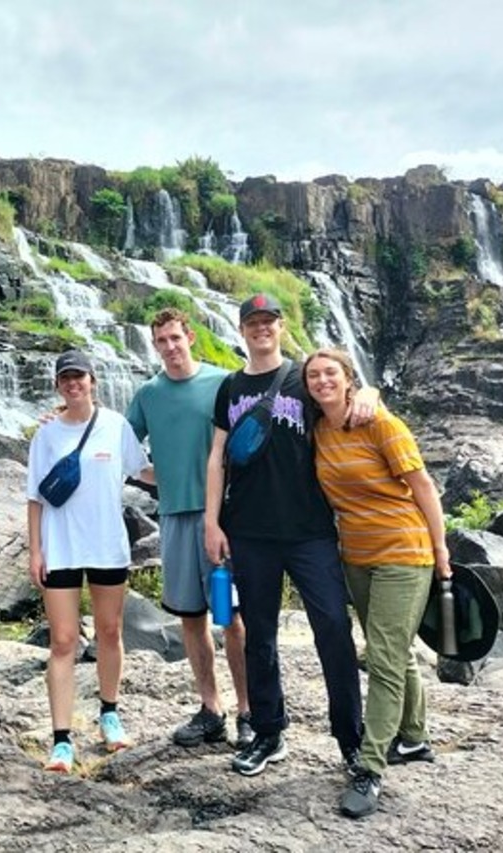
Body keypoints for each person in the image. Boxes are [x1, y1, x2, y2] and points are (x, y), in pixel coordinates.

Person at [204, 293, 376, 778]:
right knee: (260, 635)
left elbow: (346, 404)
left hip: (310, 531)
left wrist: (370, 393)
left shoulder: (305, 379)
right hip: (249, 530)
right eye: (253, 322)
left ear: (280, 327)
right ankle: (268, 731)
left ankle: (351, 737)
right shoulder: (230, 387)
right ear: (242, 331)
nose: (261, 329)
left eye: (269, 321)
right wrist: (211, 522)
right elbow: (217, 456)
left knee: (334, 631)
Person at [302, 348, 450, 819]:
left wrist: (442, 549)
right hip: (358, 558)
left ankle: (369, 768)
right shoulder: (318, 428)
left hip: (405, 554)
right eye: (314, 376)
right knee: (394, 649)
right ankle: (415, 737)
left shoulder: (381, 423)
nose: (322, 381)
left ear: (348, 379)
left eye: (331, 374)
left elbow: (423, 485)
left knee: (383, 656)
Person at [124, 307, 252, 748]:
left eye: (176, 338)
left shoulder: (222, 383)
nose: (170, 347)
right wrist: (159, 477)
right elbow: (121, 447)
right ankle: (210, 708)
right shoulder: (148, 395)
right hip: (175, 518)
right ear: (154, 345)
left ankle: (248, 711)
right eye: (161, 341)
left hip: (225, 518)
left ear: (191, 337)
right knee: (191, 616)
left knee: (232, 617)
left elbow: (251, 441)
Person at [27, 350, 153, 773]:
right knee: (62, 641)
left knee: (110, 631)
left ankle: (110, 713)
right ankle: (62, 740)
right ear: (58, 385)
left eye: (79, 376)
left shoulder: (116, 426)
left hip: (106, 547)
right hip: (61, 548)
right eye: (65, 378)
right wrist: (35, 550)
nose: (73, 383)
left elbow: (144, 472)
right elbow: (34, 497)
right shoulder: (45, 435)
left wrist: (198, 474)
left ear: (93, 380)